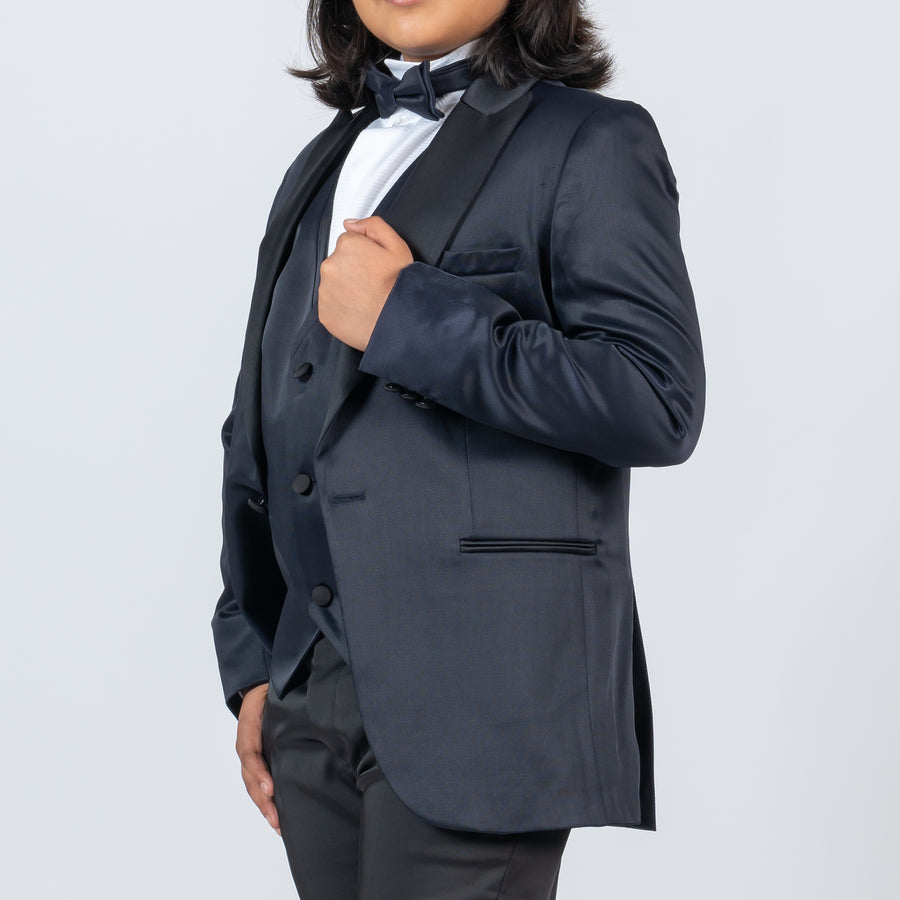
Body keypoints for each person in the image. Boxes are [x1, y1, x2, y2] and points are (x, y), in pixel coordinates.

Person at [211, 0, 706, 897]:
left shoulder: (594, 141)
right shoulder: (318, 164)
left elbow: (655, 399)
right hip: (310, 693)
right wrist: (256, 663)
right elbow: (260, 421)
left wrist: (407, 317)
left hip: (487, 697)